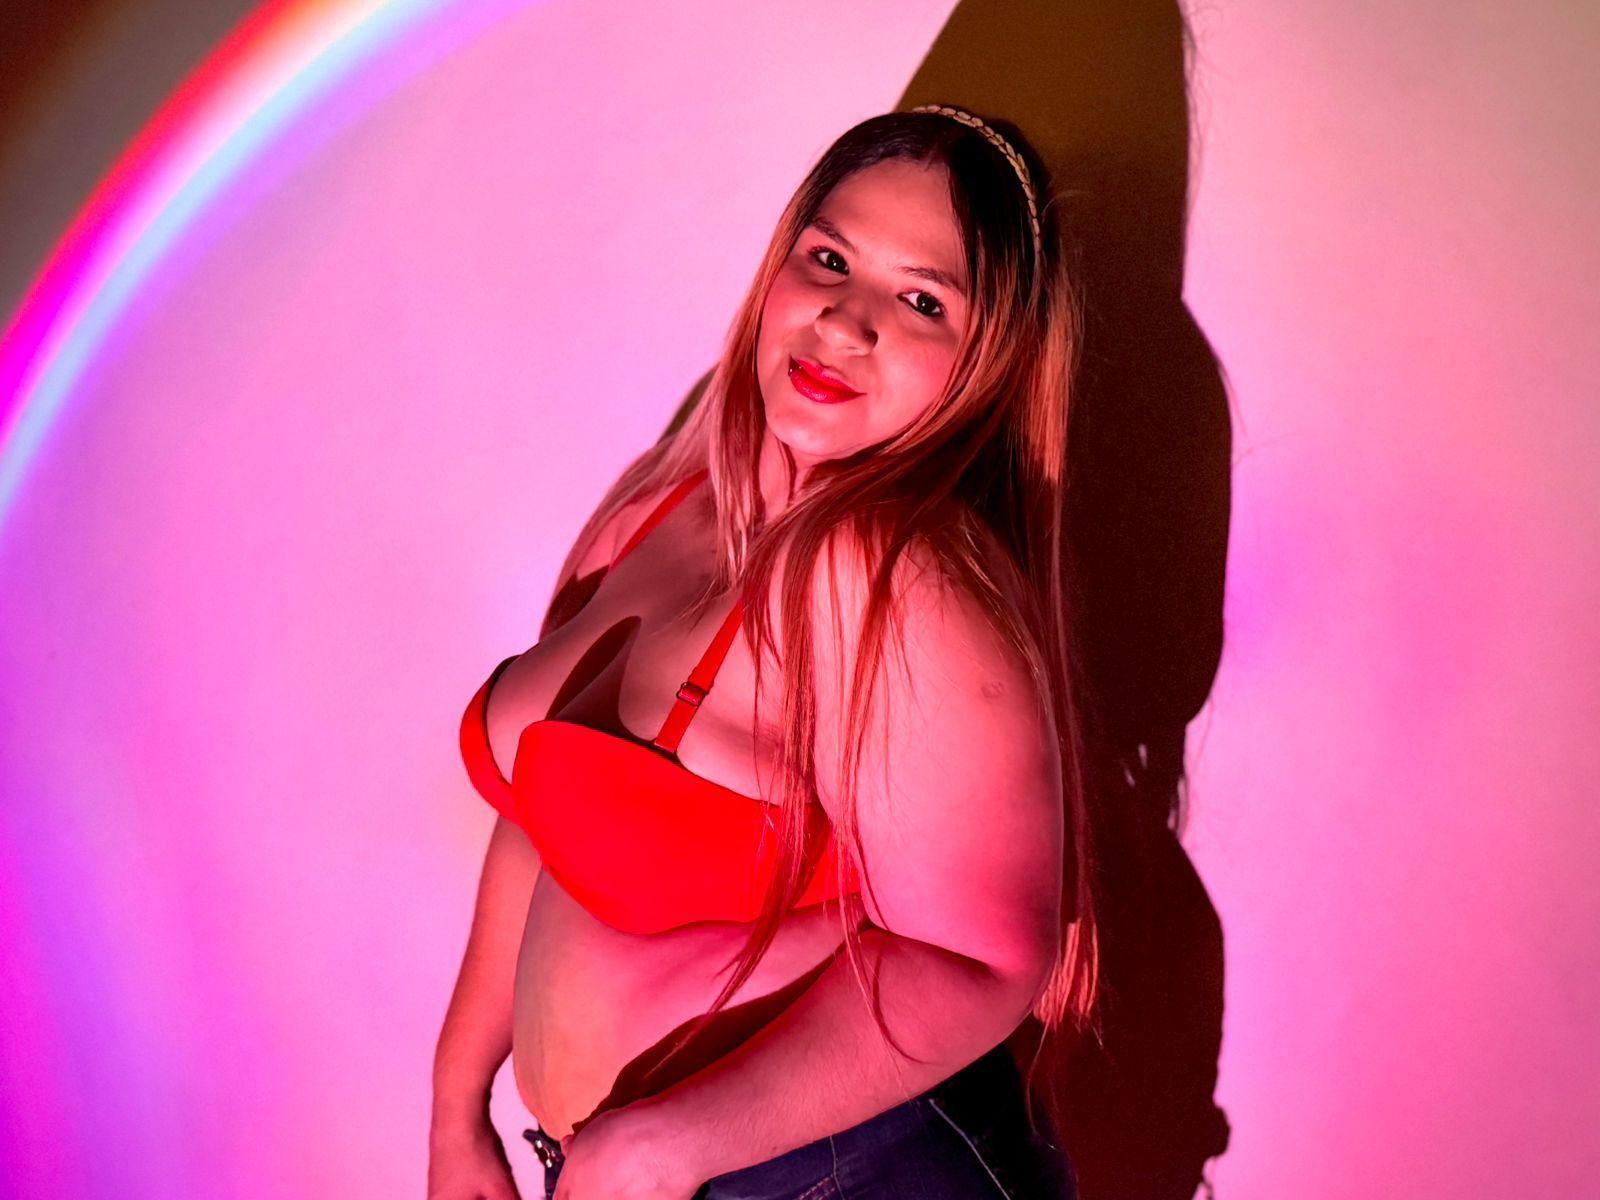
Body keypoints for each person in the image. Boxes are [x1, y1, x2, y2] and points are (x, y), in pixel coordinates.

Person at [429, 106, 1100, 1200]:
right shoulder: (654, 509)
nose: (845, 321)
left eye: (922, 300)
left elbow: (987, 958)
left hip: (839, 1178)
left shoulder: (898, 579)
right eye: (829, 259)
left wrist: (661, 1147)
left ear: (985, 365)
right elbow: (538, 820)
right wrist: (458, 1107)